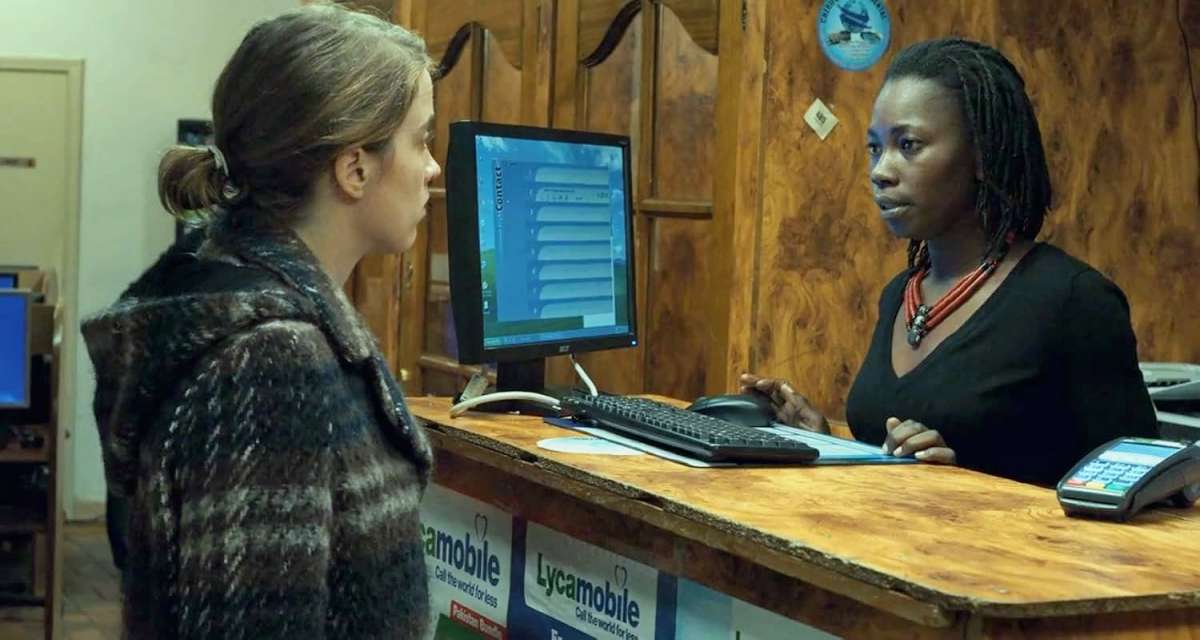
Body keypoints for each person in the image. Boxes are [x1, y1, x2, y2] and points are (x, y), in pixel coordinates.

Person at [81, 4, 440, 637]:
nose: (433, 168)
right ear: (355, 167)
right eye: (422, 140)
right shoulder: (269, 360)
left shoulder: (252, 304)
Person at [742, 38, 1157, 487]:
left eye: (909, 145)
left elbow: (1143, 493)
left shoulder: (1073, 299)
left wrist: (963, 488)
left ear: (981, 155)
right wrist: (824, 441)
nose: (881, 171)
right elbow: (895, 466)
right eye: (875, 148)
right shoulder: (901, 295)